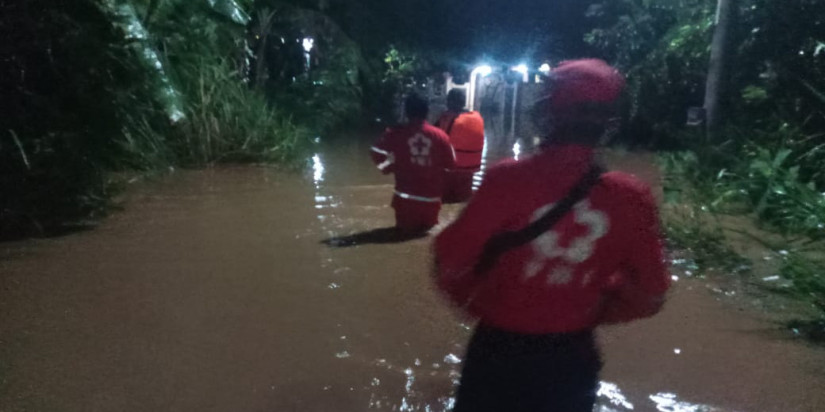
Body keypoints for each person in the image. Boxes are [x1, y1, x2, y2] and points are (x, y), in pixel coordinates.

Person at [433, 59, 671, 412]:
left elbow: (449, 263)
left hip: (499, 349)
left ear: (550, 112)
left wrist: (485, 303)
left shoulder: (506, 180)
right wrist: (590, 307)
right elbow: (652, 294)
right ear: (608, 122)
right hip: (570, 357)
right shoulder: (631, 197)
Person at [371, 93, 456, 233]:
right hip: (431, 201)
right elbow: (451, 165)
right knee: (427, 234)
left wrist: (387, 167)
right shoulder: (441, 136)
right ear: (427, 112)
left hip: (405, 201)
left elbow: (375, 151)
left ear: (406, 112)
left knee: (402, 234)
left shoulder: (395, 133)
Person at [435, 89, 485, 203]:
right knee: (463, 200)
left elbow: (433, 138)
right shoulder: (475, 118)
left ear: (449, 102)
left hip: (449, 172)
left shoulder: (447, 118)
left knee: (445, 201)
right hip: (469, 172)